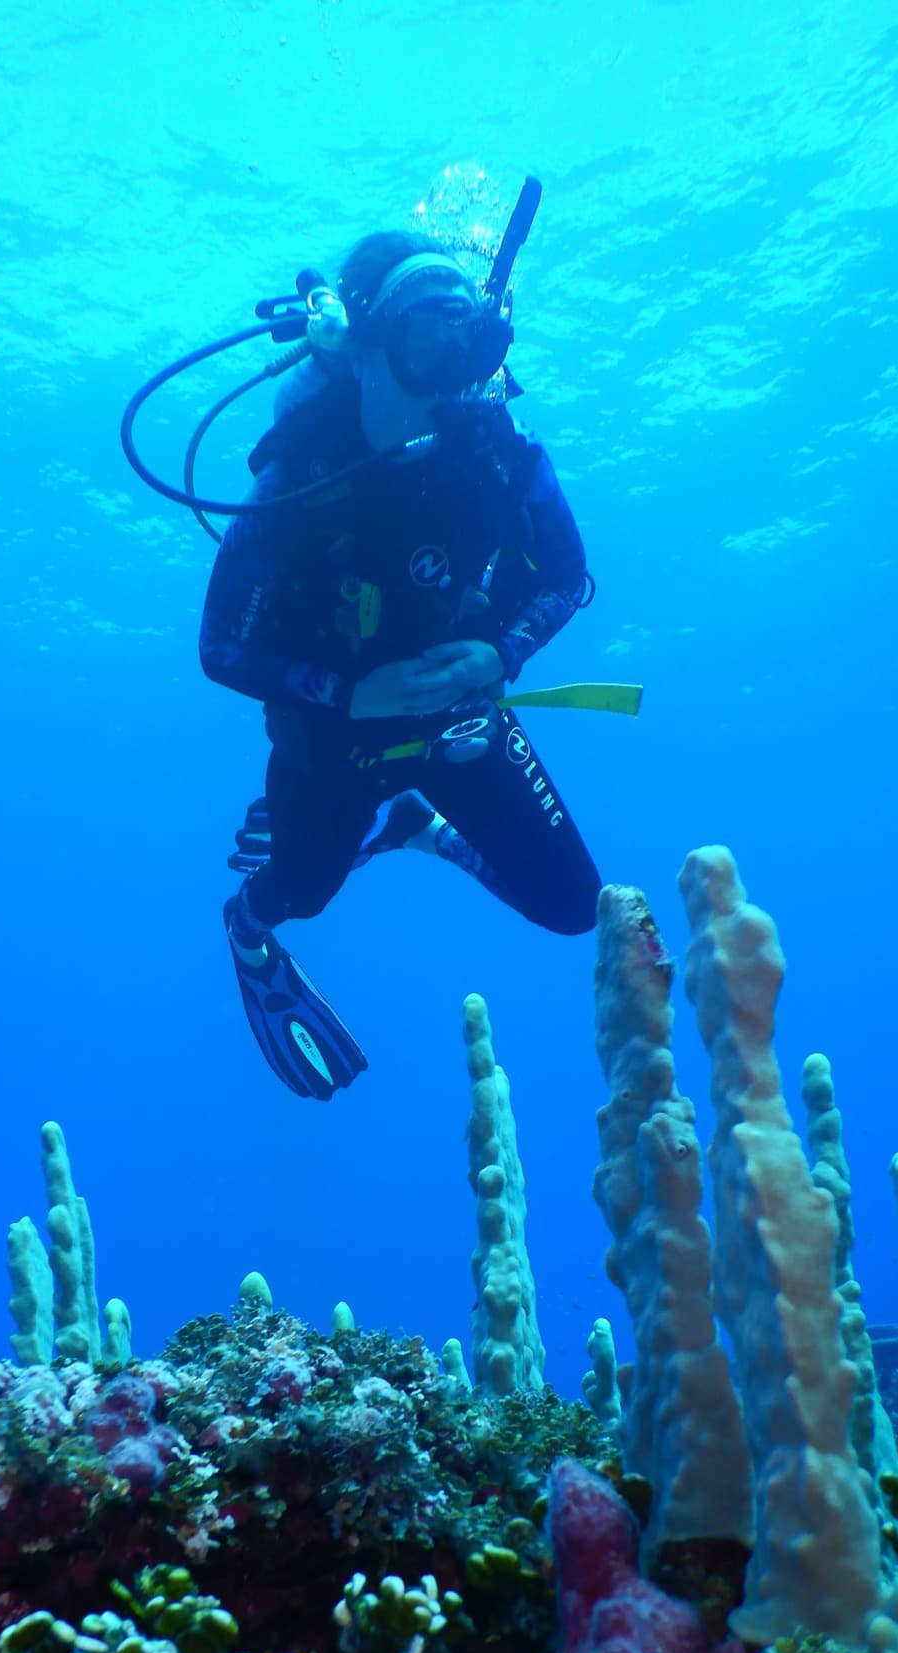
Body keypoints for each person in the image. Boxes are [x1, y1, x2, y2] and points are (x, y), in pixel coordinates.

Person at [198, 228, 603, 1100]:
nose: (452, 386)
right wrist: (351, 691)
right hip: (332, 748)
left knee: (576, 909)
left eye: (468, 352)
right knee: (297, 895)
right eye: (426, 351)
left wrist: (500, 649)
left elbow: (569, 577)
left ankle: (417, 827)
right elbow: (222, 645)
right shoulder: (300, 477)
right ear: (369, 348)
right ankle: (245, 926)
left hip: (459, 721)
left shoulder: (501, 452)